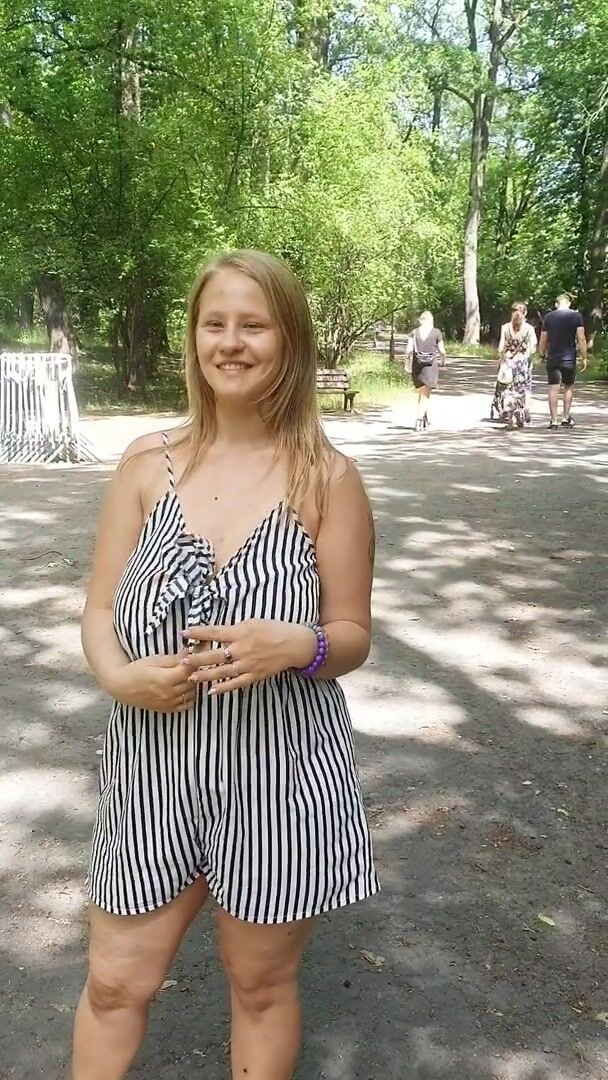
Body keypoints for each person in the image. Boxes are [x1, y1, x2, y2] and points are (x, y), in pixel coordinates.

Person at [73, 249, 379, 1080]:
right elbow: (99, 611)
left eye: (254, 325)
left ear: (290, 340)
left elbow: (353, 632)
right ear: (194, 338)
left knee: (261, 986)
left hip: (280, 775)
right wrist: (118, 676)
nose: (231, 342)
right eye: (215, 324)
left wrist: (301, 646)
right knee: (115, 983)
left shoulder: (328, 480)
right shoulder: (146, 466)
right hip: (151, 772)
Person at [539, 293, 588, 429]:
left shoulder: (549, 317)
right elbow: (581, 338)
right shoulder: (576, 316)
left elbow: (543, 338)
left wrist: (542, 354)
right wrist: (584, 356)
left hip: (553, 357)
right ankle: (565, 417)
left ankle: (553, 420)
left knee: (553, 388)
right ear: (569, 304)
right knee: (568, 387)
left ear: (556, 304)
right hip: (569, 358)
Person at [491, 302, 537, 428]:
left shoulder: (505, 327)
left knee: (508, 390)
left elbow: (501, 347)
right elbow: (532, 349)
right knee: (524, 389)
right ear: (525, 313)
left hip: (509, 362)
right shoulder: (529, 329)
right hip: (523, 364)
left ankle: (511, 419)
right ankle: (525, 408)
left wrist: (502, 359)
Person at [405, 311, 447, 432]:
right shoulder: (436, 332)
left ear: (421, 320)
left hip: (416, 366)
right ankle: (419, 421)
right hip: (430, 366)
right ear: (431, 320)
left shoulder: (414, 333)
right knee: (425, 395)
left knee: (421, 393)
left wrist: (407, 364)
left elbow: (408, 351)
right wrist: (443, 361)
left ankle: (424, 419)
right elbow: (442, 351)